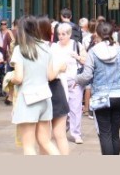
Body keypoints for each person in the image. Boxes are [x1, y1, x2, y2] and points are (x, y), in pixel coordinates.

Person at [10, 15, 60, 155]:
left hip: (27, 100)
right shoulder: (46, 48)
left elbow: (19, 78)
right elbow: (50, 76)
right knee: (46, 142)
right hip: (45, 98)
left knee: (29, 146)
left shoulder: (20, 50)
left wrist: (10, 79)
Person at [76, 20, 120, 155]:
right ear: (112, 33)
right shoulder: (119, 49)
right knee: (115, 134)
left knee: (105, 134)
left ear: (97, 34)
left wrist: (76, 79)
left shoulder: (93, 52)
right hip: (118, 96)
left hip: (101, 97)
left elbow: (86, 76)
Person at [39, 16, 71, 154]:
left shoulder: (38, 48)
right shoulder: (52, 47)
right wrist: (58, 68)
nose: (54, 31)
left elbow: (52, 73)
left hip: (43, 91)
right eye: (51, 28)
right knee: (60, 136)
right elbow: (62, 67)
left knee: (44, 138)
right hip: (55, 90)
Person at [52, 21, 86, 145]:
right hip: (59, 81)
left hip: (73, 80)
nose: (61, 37)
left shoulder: (76, 45)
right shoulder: (54, 46)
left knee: (75, 108)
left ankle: (76, 133)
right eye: (59, 34)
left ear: (69, 34)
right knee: (61, 108)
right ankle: (62, 129)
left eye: (64, 34)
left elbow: (85, 60)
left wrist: (77, 57)